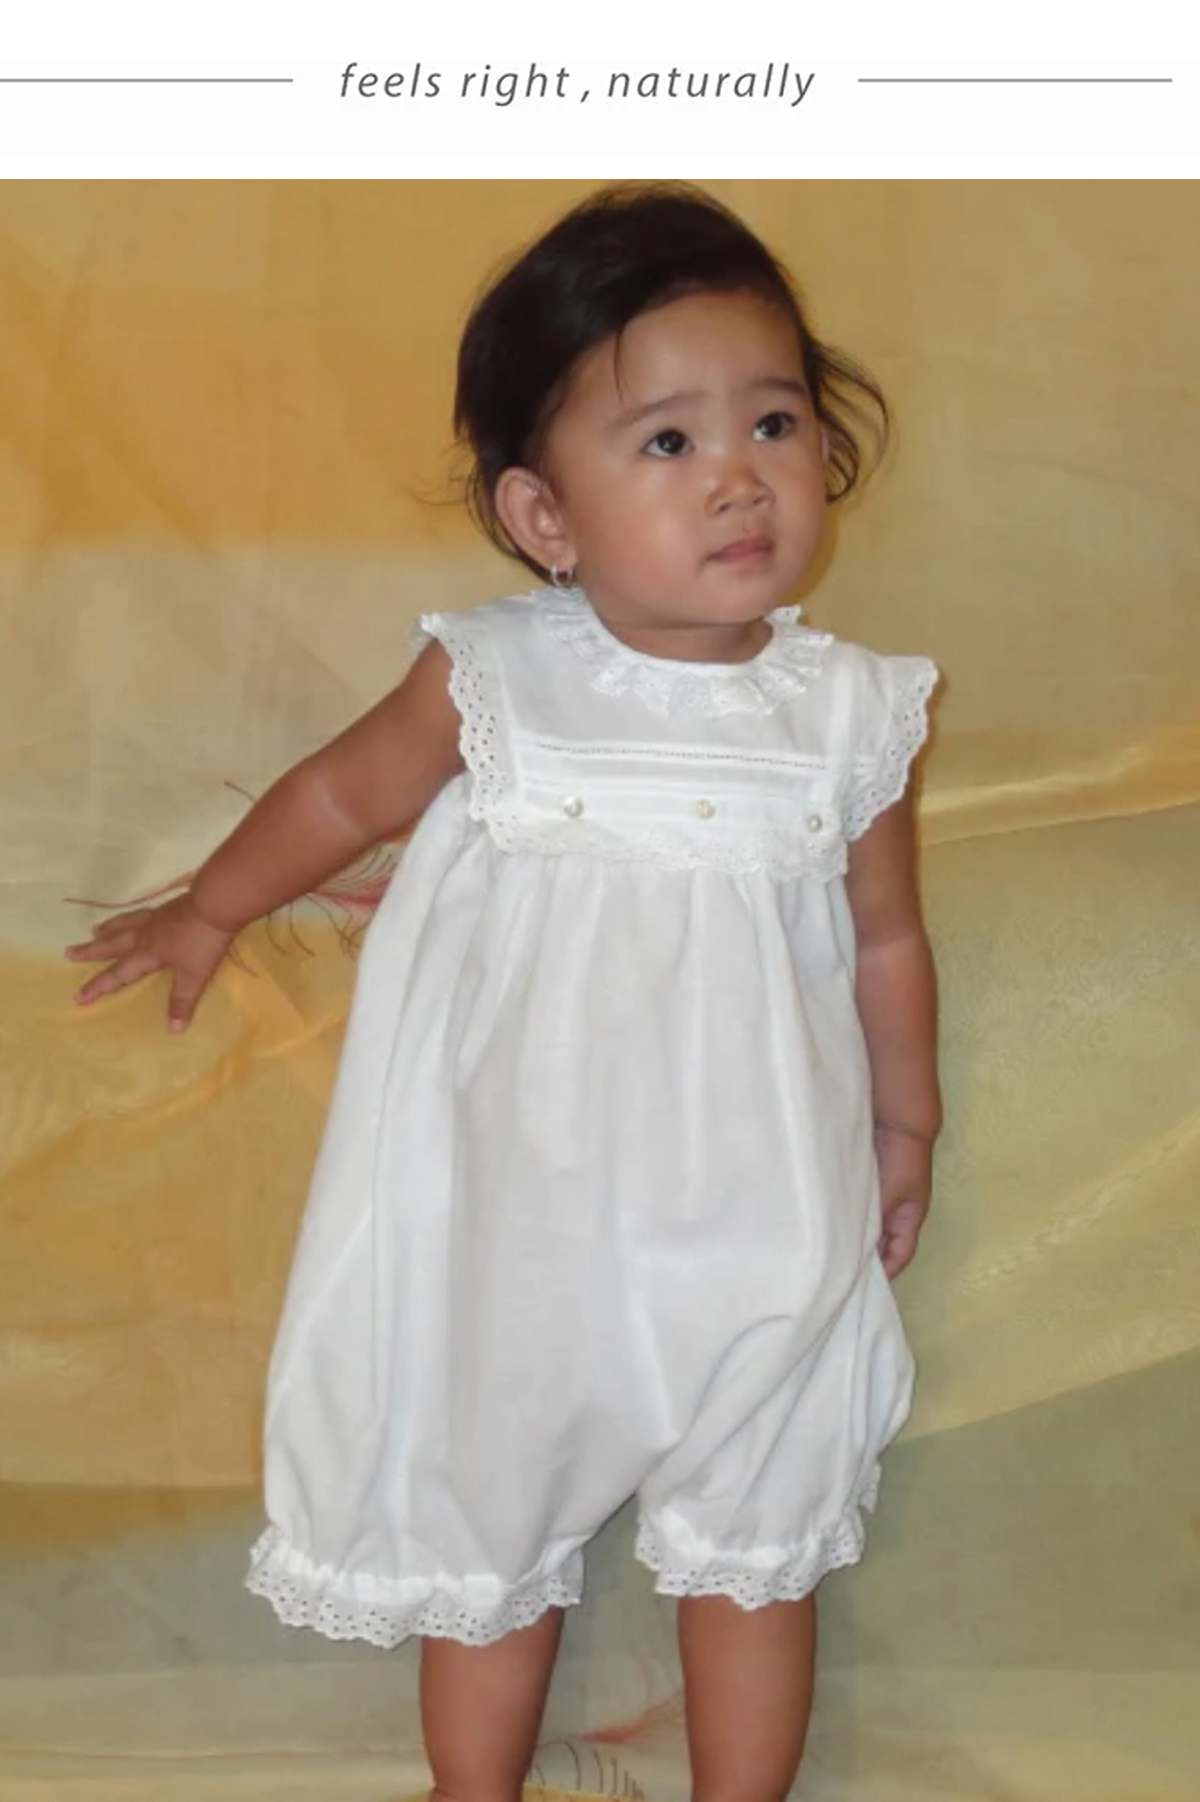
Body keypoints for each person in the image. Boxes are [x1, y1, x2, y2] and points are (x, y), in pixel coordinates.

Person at [66, 185, 941, 1802]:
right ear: (545, 515)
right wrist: (213, 904)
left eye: (773, 421)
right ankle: (474, 1787)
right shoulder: (502, 677)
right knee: (490, 1504)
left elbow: (884, 935)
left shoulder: (849, 714)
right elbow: (345, 793)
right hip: (522, 1213)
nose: (739, 474)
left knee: (759, 1531)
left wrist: (906, 1119)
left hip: (763, 1206)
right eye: (667, 441)